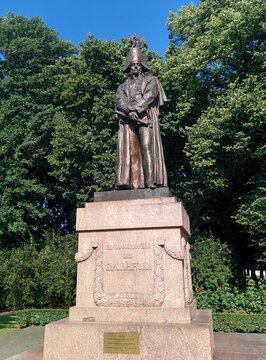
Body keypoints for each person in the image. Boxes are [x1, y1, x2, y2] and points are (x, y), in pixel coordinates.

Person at [115, 37, 168, 190]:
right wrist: (129, 111)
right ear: (129, 68)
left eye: (138, 65)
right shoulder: (122, 86)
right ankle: (133, 184)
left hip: (145, 118)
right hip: (128, 121)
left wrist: (136, 110)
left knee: (147, 148)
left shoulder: (152, 80)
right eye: (133, 65)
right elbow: (120, 101)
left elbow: (150, 95)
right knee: (131, 152)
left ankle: (150, 180)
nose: (135, 68)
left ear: (142, 66)